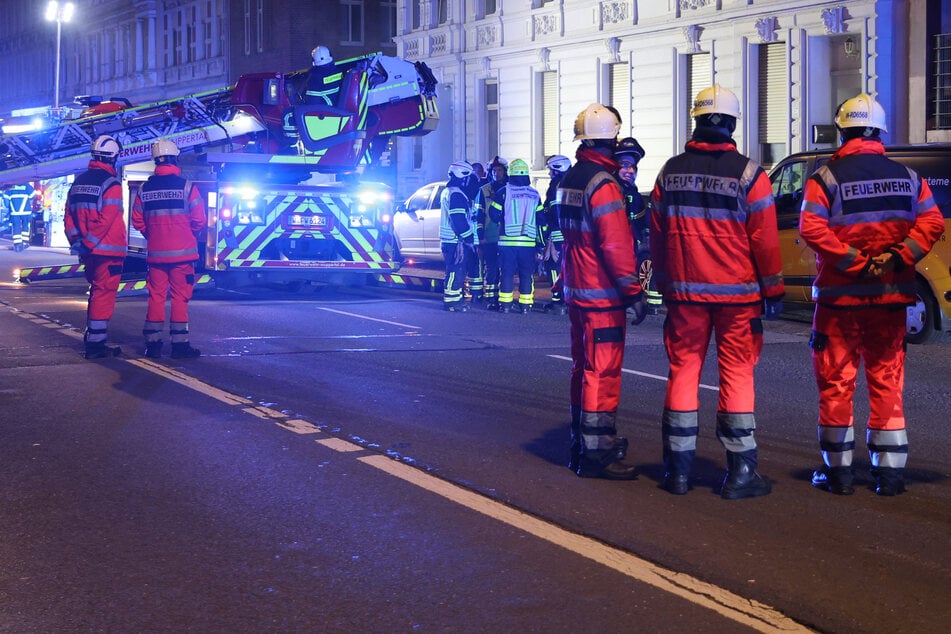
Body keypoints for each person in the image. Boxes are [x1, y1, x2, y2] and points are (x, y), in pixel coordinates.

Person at [800, 93, 944, 496]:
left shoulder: (824, 179)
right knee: (887, 381)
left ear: (843, 130)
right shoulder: (909, 178)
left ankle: (838, 474)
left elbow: (812, 228)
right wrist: (898, 257)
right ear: (878, 130)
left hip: (839, 300)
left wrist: (854, 261)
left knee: (836, 382)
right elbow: (932, 223)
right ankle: (891, 476)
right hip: (889, 297)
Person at [650, 84, 784, 499]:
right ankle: (741, 473)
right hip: (738, 297)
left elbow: (656, 236)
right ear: (730, 124)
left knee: (683, 373)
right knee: (738, 375)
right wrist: (773, 289)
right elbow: (764, 239)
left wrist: (664, 281)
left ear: (697, 120)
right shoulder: (750, 174)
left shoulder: (669, 172)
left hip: (686, 295)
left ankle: (677, 472)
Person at [555, 103, 647, 480]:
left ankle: (582, 442)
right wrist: (633, 290)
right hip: (603, 295)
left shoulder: (571, 179)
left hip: (577, 289)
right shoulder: (605, 184)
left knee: (583, 369)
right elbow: (615, 244)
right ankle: (597, 453)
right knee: (602, 373)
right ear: (611, 139)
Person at [131, 139, 207, 359]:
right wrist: (186, 235)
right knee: (179, 298)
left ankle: (153, 345)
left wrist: (154, 236)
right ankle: (180, 345)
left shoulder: (145, 188)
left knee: (155, 297)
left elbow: (137, 220)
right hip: (183, 255)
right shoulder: (186, 186)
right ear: (175, 158)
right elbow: (199, 220)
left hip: (156, 254)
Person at [64, 134, 128, 359]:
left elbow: (68, 217)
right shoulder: (111, 184)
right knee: (103, 293)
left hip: (88, 252)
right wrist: (90, 243)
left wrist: (79, 243)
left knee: (95, 292)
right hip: (107, 251)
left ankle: (93, 337)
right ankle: (96, 344)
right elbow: (107, 219)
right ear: (113, 158)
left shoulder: (79, 182)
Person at [489, 159, 544, 313]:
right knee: (526, 274)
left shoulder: (504, 192)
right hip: (528, 244)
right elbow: (541, 219)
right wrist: (541, 244)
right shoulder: (534, 194)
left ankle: (505, 305)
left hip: (507, 243)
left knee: (506, 274)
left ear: (510, 173)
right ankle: (525, 306)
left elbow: (493, 214)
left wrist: (503, 219)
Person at [440, 160, 477, 311]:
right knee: (456, 270)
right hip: (456, 241)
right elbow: (459, 220)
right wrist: (468, 238)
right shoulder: (456, 195)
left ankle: (454, 298)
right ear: (464, 177)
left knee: (455, 270)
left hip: (451, 240)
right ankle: (452, 302)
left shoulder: (449, 192)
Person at [474, 156, 508, 309]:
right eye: (494, 170)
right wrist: (480, 236)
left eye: (499, 170)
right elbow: (479, 215)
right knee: (492, 267)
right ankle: (491, 298)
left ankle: (505, 297)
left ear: (505, 171)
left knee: (507, 267)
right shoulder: (484, 190)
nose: (496, 173)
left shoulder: (510, 189)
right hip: (490, 236)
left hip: (507, 235)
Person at [540, 154, 571, 314]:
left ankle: (558, 300)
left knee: (553, 265)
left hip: (558, 234)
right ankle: (568, 299)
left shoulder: (556, 186)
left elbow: (554, 211)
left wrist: (550, 233)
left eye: (551, 170)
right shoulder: (571, 183)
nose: (549, 173)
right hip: (572, 233)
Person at [615, 137, 648, 248]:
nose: (631, 171)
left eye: (633, 166)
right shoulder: (610, 194)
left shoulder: (635, 196)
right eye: (625, 165)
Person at [6, 183, 35, 252]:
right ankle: (25, 242)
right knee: (25, 227)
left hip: (14, 212)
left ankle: (17, 244)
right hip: (26, 211)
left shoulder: (10, 186)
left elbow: (6, 200)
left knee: (16, 227)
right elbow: (32, 196)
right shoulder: (27, 186)